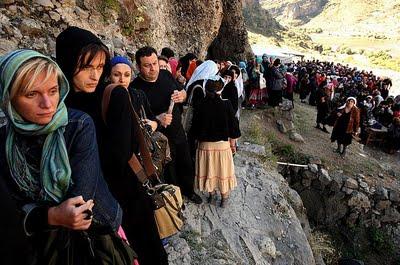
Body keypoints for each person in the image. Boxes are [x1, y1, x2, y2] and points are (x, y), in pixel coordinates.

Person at [56, 27, 167, 265]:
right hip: (83, 202)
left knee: (142, 251)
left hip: (123, 194)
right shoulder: (56, 103)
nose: (95, 75)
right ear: (67, 62)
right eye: (86, 67)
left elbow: (120, 154)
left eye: (99, 67)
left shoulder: (112, 95)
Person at [0, 49, 122, 263]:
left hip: (96, 236)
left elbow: (80, 205)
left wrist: (36, 215)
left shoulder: (78, 125)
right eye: (31, 94)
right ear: (7, 97)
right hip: (43, 247)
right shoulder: (4, 143)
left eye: (53, 90)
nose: (48, 104)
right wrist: (52, 215)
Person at [131, 46, 203, 204]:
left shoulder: (165, 74)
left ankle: (189, 191)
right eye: (147, 65)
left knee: (185, 163)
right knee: (169, 172)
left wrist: (182, 95)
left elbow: (182, 91)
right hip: (159, 140)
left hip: (177, 131)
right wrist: (158, 119)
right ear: (138, 67)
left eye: (155, 63)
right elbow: (139, 121)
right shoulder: (135, 89)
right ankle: (175, 200)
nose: (153, 68)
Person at [190, 77, 241, 208]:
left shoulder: (200, 104)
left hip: (204, 146)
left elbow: (194, 128)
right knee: (222, 172)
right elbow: (234, 128)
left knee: (209, 171)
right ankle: (224, 198)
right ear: (221, 89)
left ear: (205, 89)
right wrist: (233, 144)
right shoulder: (226, 104)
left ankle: (211, 195)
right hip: (222, 146)